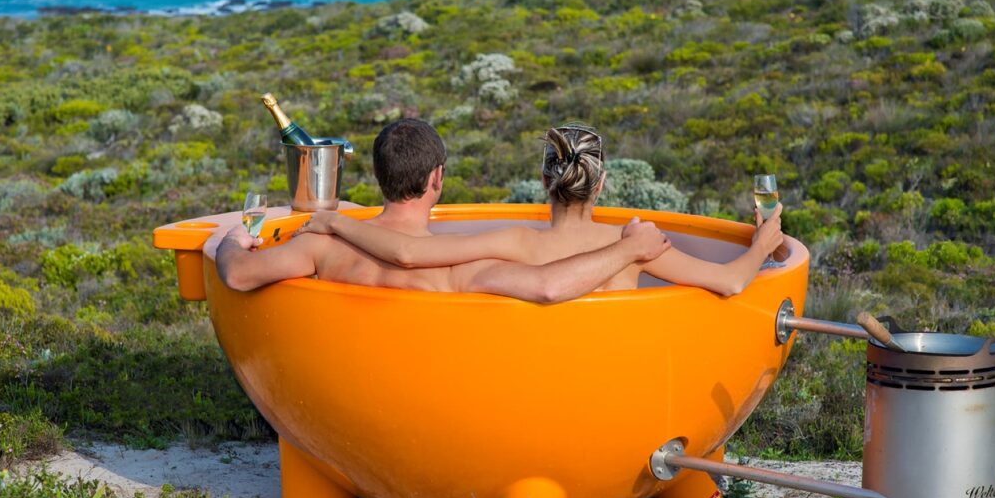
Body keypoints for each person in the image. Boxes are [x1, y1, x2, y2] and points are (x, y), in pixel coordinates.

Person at [303, 122, 785, 296]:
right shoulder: (637, 246)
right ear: (601, 184)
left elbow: (409, 251)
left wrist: (337, 219)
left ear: (543, 182)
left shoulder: (514, 242)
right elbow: (731, 281)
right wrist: (764, 242)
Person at [216, 118, 671, 302]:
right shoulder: (459, 267)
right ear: (437, 178)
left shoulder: (319, 247)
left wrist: (230, 242)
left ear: (378, 176)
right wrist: (628, 249)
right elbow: (549, 286)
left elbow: (237, 275)